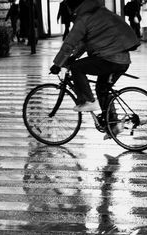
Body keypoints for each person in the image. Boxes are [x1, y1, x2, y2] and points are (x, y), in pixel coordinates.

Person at [49, 0, 140, 137]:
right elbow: (84, 43)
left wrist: (57, 64)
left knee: (76, 68)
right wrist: (73, 57)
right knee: (102, 89)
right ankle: (113, 125)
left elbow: (70, 43)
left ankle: (87, 100)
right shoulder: (99, 13)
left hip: (110, 58)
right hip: (121, 59)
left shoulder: (84, 18)